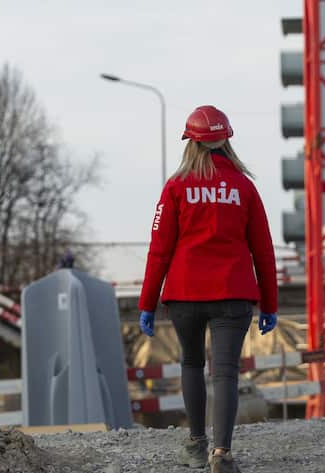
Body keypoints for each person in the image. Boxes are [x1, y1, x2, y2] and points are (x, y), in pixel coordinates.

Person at [138, 105, 278, 473]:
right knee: (226, 372)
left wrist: (147, 303)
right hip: (233, 293)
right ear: (227, 141)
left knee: (191, 362)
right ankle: (222, 454)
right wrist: (270, 303)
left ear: (191, 143)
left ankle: (196, 443)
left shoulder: (176, 187)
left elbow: (159, 249)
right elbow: (263, 250)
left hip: (184, 293)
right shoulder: (245, 188)